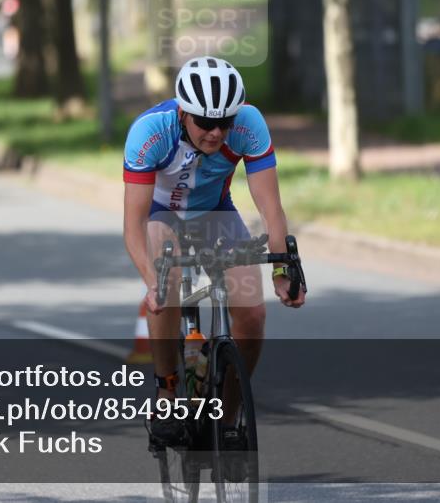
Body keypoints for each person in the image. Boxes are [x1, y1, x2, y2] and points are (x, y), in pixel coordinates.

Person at [122, 56, 306, 445]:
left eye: (226, 122)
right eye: (206, 123)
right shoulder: (149, 132)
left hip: (215, 212)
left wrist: (282, 269)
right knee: (167, 279)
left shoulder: (249, 124)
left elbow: (270, 209)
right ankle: (167, 391)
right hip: (162, 213)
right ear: (184, 113)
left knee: (253, 315)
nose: (217, 133)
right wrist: (150, 281)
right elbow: (134, 225)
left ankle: (229, 415)